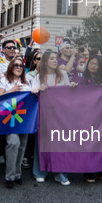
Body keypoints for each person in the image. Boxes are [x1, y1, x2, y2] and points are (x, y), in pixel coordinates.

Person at [33, 50, 77, 186]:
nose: (55, 60)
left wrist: (71, 87)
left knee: (60, 144)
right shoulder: (39, 76)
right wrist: (39, 89)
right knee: (42, 143)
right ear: (45, 61)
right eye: (51, 58)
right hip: (45, 114)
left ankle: (61, 173)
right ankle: (40, 172)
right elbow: (33, 92)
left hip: (60, 115)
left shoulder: (63, 74)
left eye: (56, 58)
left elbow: (68, 94)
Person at [0, 57, 38, 188]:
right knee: (13, 143)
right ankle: (9, 176)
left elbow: (29, 100)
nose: (19, 67)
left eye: (21, 65)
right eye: (16, 65)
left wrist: (33, 92)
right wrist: (10, 91)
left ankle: (17, 173)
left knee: (22, 145)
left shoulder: (26, 82)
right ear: (11, 67)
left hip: (23, 119)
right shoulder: (3, 81)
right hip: (9, 118)